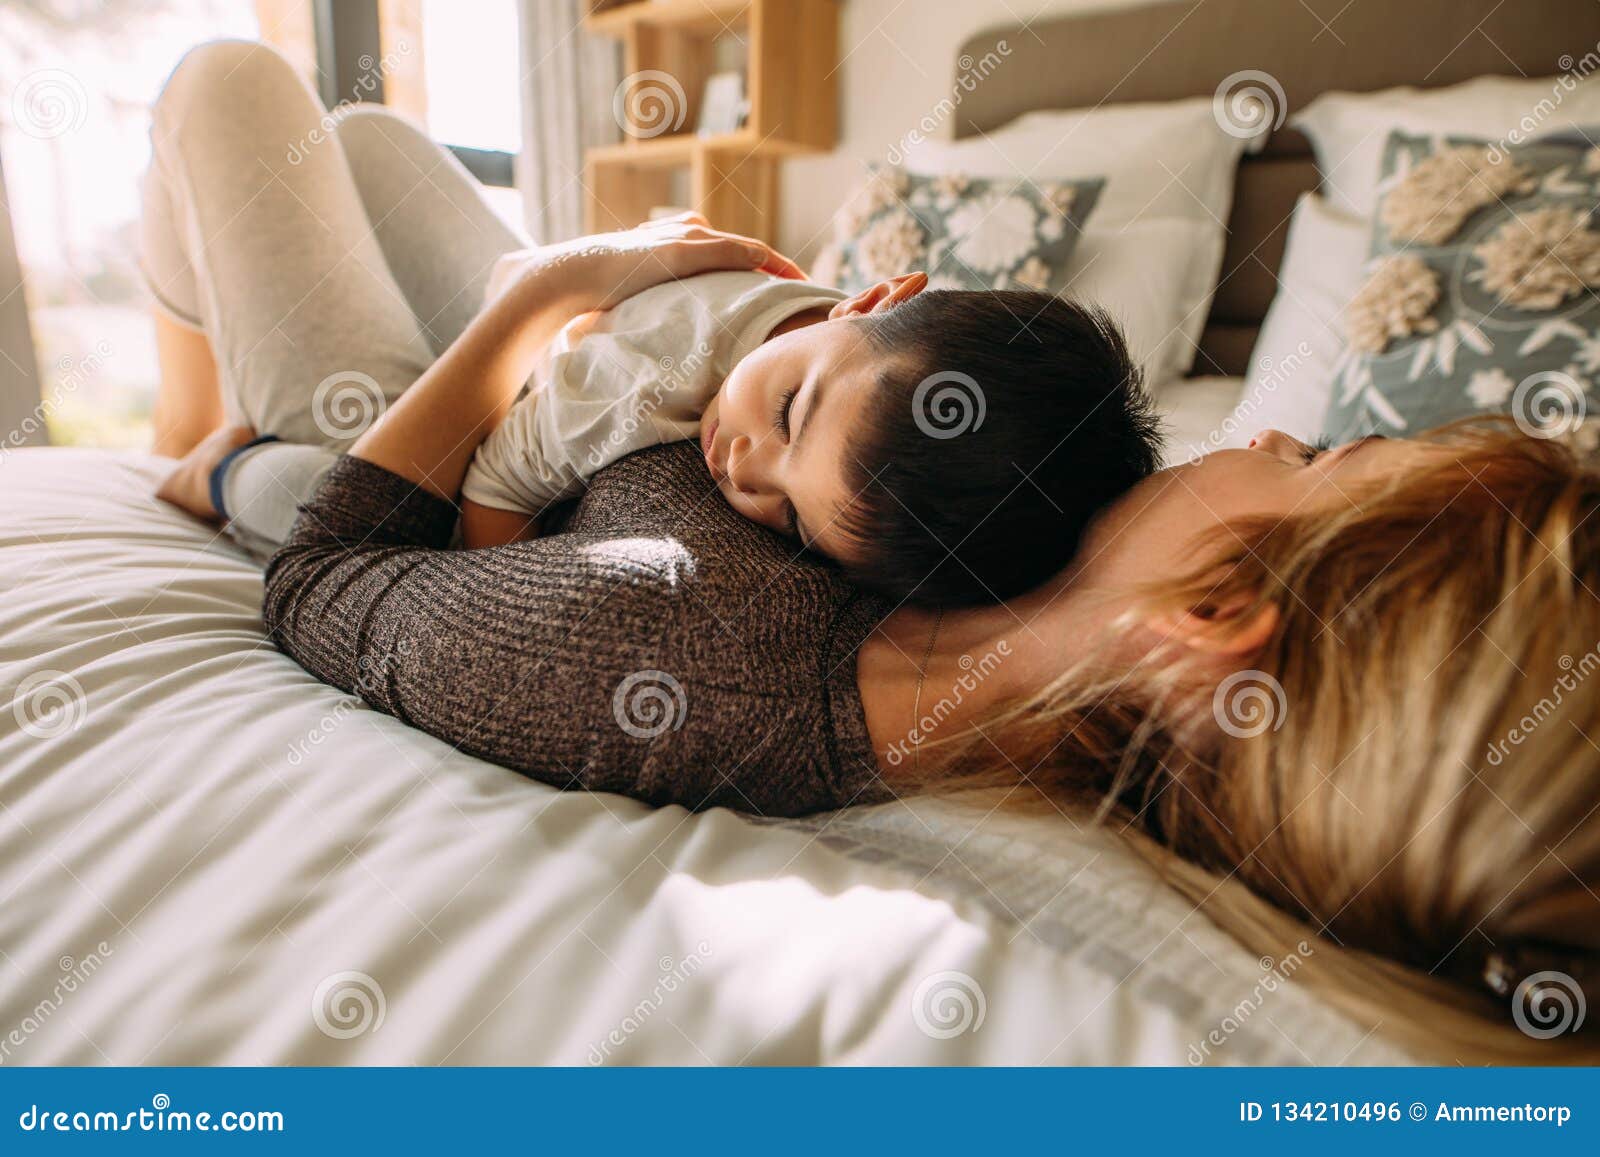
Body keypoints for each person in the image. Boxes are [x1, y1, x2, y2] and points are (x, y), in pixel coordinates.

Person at [148, 41, 1597, 1064]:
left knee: (238, 90)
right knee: (374, 144)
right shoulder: (1005, 519)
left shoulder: (693, 651)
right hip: (596, 390)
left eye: (1321, 458)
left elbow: (328, 581)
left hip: (483, 418)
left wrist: (545, 298)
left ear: (1217, 609)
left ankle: (200, 434)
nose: (1275, 438)